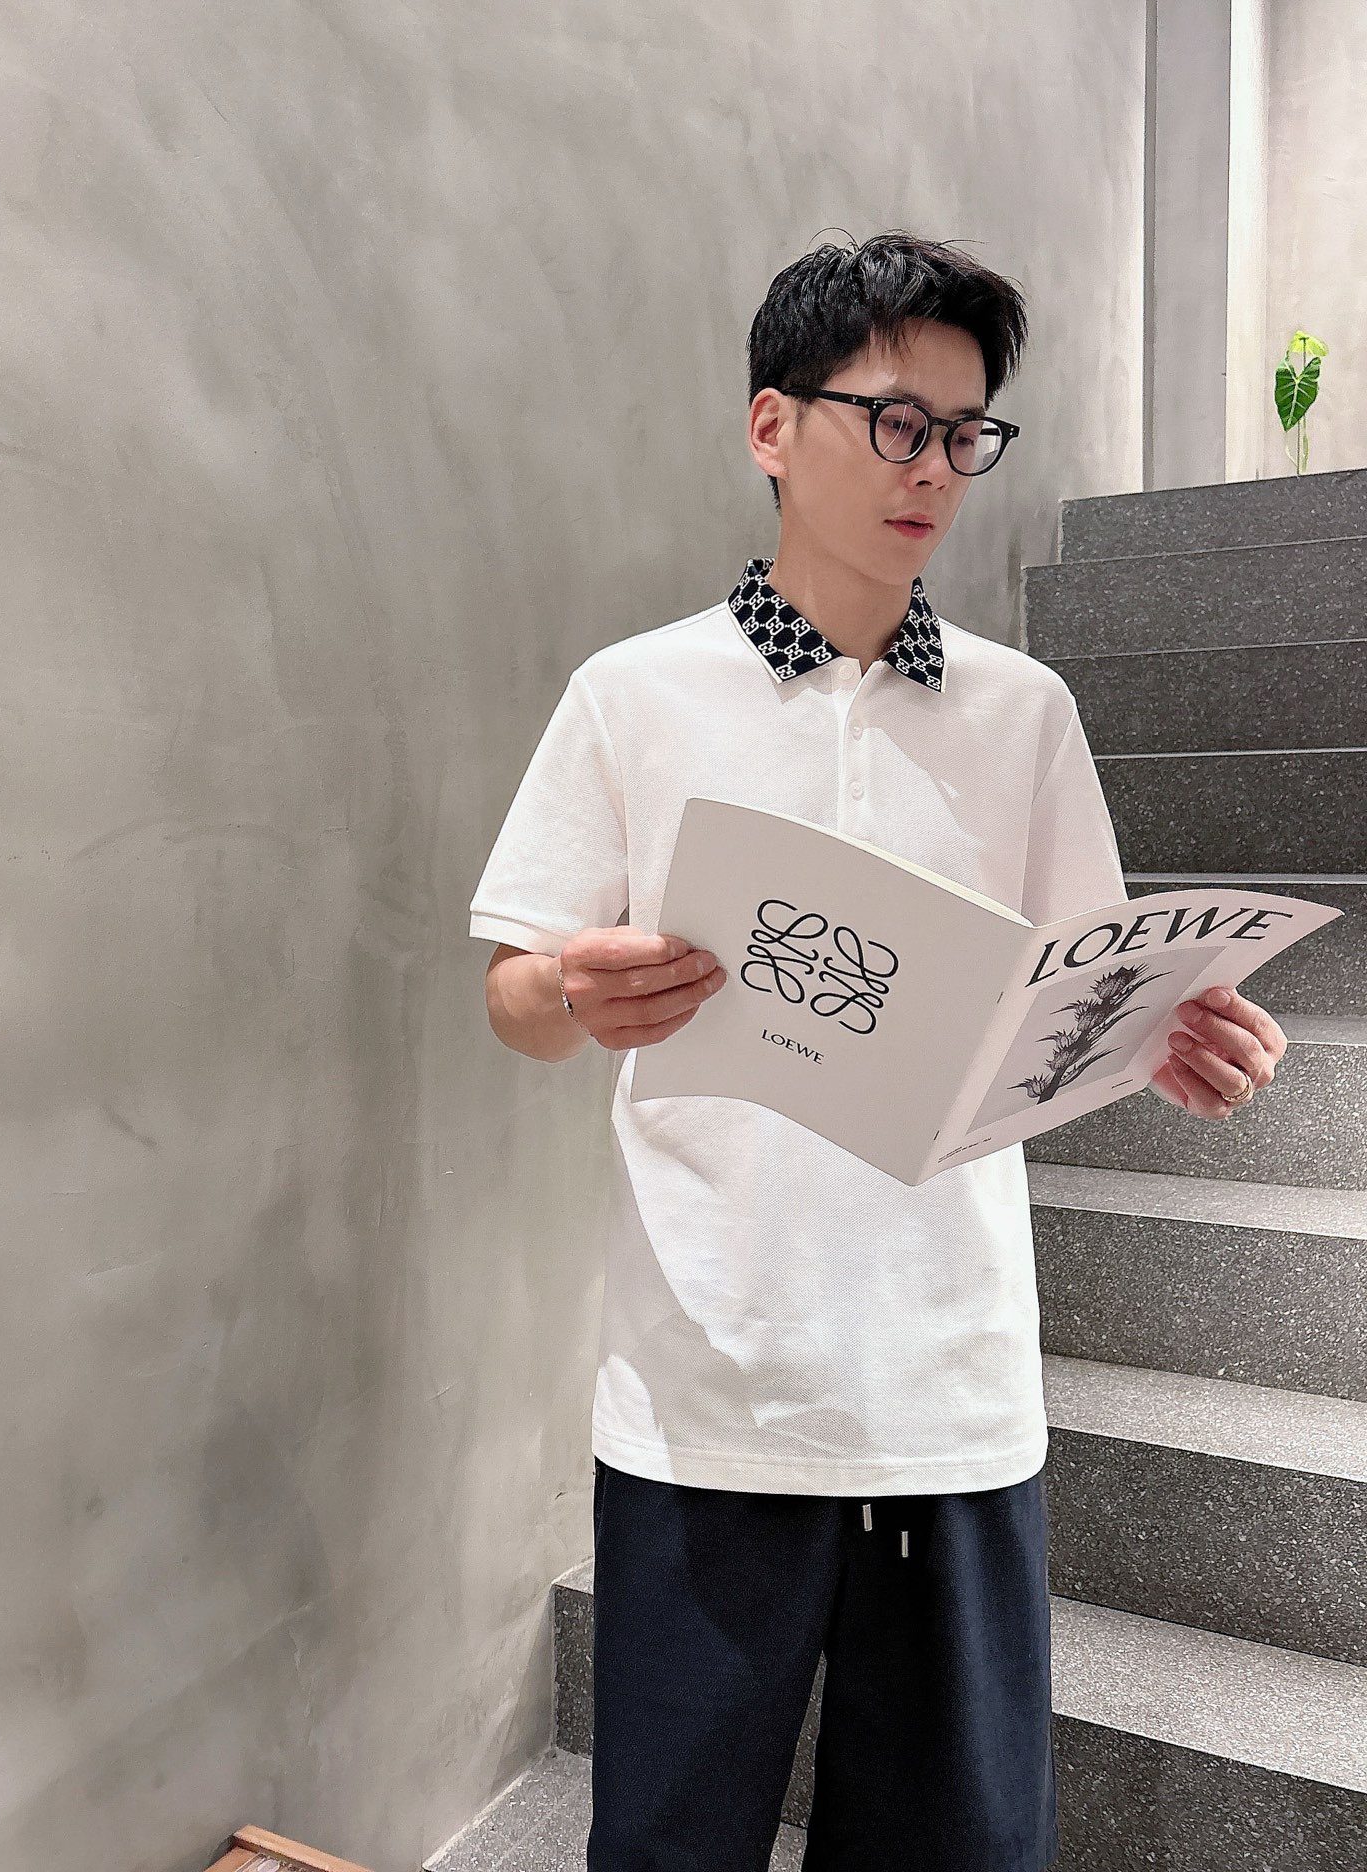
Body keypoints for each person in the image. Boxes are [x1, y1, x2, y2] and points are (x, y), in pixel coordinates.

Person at [465, 230, 1275, 1871]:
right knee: (672, 1842)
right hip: (708, 1389)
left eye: (967, 435)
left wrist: (1170, 1034)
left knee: (955, 1848)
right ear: (773, 426)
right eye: (898, 421)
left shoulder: (1024, 712)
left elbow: (1076, 993)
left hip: (951, 1388)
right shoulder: (633, 695)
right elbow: (511, 992)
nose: (935, 469)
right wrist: (566, 989)